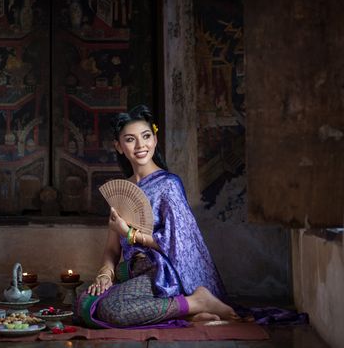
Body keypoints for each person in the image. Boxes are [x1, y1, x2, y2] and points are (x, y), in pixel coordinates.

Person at [75, 105, 239, 328]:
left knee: (111, 310)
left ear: (155, 139)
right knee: (85, 301)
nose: (141, 145)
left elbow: (179, 244)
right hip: (132, 270)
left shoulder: (168, 185)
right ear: (119, 146)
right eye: (130, 139)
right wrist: (105, 274)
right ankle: (184, 313)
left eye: (146, 136)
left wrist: (131, 234)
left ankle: (196, 302)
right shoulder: (123, 190)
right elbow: (113, 248)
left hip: (162, 271)